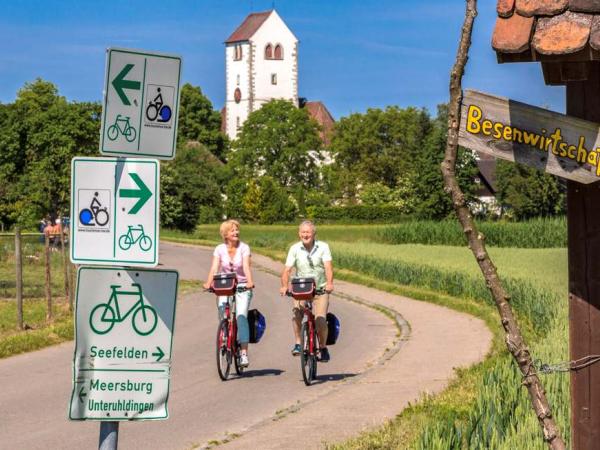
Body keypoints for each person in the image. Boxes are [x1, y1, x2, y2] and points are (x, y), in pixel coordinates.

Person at [280, 220, 334, 362]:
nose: (305, 235)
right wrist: (285, 286)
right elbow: (287, 270)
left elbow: (328, 267)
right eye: (303, 232)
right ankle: (298, 343)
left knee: (320, 319)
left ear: (313, 233)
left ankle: (322, 347)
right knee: (296, 313)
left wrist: (329, 284)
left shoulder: (323, 247)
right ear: (299, 234)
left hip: (320, 288)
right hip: (301, 288)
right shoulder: (294, 249)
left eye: (308, 232)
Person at [203, 220, 255, 367]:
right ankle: (225, 334)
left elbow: (246, 266)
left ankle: (244, 353)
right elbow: (214, 268)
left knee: (241, 316)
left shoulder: (244, 248)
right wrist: (208, 283)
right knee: (223, 311)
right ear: (225, 234)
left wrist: (249, 282)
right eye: (232, 230)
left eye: (237, 230)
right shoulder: (219, 249)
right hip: (225, 284)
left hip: (242, 285)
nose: (236, 232)